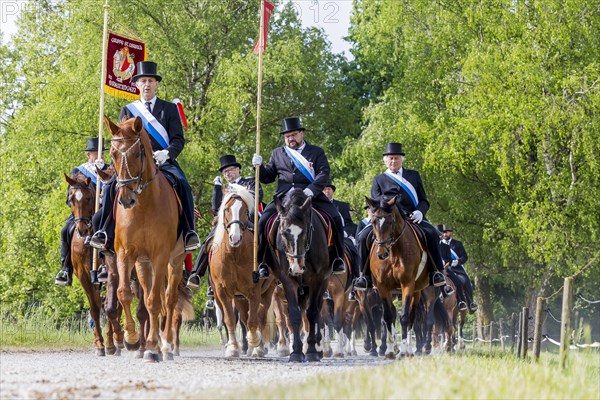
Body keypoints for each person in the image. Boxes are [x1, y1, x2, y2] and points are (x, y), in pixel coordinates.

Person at [89, 61, 200, 253]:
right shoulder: (128, 110)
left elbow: (178, 139)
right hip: (133, 164)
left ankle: (190, 232)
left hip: (163, 162)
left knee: (184, 184)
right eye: (143, 81)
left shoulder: (169, 109)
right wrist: (107, 163)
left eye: (150, 80)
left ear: (156, 84)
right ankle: (103, 230)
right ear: (137, 85)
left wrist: (168, 153)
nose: (147, 84)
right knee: (109, 188)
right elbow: (121, 141)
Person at [252, 117, 346, 280]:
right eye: (287, 136)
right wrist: (258, 167)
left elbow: (324, 173)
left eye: (294, 135)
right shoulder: (277, 153)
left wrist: (311, 190)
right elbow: (268, 177)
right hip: (285, 198)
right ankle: (263, 263)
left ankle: (338, 258)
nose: (290, 139)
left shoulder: (316, 152)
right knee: (262, 222)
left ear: (301, 133)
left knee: (336, 218)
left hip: (311, 195)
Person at [352, 143, 452, 295]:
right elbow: (376, 204)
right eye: (391, 158)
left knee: (432, 234)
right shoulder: (379, 179)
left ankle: (437, 273)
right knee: (361, 237)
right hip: (388, 219)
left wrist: (420, 211)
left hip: (413, 217)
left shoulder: (413, 175)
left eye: (396, 158)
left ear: (401, 160)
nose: (393, 161)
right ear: (385, 160)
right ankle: (364, 277)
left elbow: (424, 200)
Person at [187, 155, 263, 308]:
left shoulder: (249, 182)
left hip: (248, 218)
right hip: (227, 223)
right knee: (210, 240)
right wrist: (216, 188)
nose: (228, 174)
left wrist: (238, 191)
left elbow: (258, 198)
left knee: (264, 237)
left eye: (231, 170)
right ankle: (197, 274)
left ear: (238, 169)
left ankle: (268, 267)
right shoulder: (222, 187)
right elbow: (216, 208)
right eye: (225, 172)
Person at [55, 138, 108, 286]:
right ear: (88, 155)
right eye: (95, 153)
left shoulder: (110, 168)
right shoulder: (78, 171)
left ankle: (105, 264)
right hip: (82, 213)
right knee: (65, 230)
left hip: (104, 211)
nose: (100, 156)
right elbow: (69, 197)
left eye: (102, 153)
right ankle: (66, 269)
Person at [439, 224, 478, 312]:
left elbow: (464, 257)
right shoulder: (439, 244)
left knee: (465, 280)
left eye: (447, 232)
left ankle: (469, 303)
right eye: (443, 232)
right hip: (443, 268)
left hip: (456, 268)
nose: (445, 234)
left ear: (451, 233)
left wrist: (457, 261)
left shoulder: (457, 244)